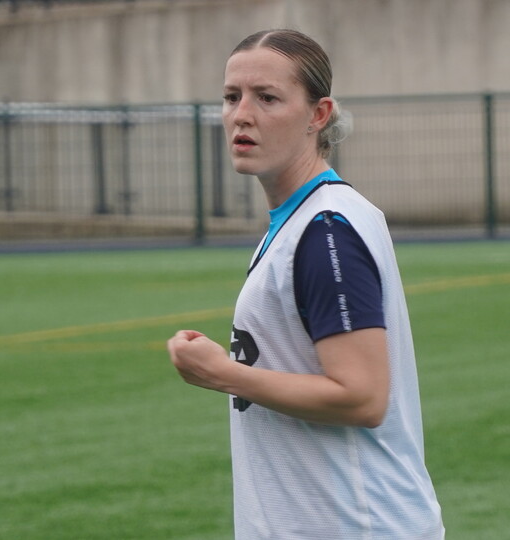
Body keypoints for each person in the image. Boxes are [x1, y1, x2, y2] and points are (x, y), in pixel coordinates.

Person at [166, 29, 444, 539]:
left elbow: (362, 397)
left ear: (319, 115)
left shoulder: (325, 228)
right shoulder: (304, 222)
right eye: (231, 97)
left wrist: (225, 374)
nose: (241, 115)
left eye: (267, 98)